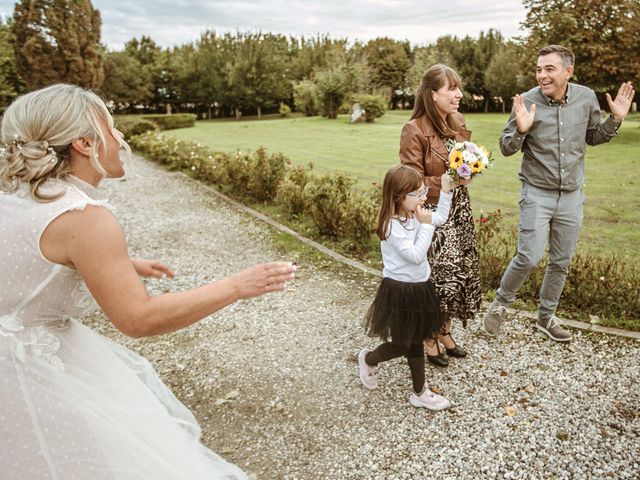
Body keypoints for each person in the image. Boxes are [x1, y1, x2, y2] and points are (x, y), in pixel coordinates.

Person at [0, 84, 297, 479]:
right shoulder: (85, 218)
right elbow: (138, 319)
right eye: (112, 128)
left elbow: (27, 257)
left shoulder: (20, 195)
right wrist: (237, 286)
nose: (121, 138)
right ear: (85, 143)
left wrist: (119, 264)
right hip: (29, 377)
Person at [482, 45, 635, 342]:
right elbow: (506, 147)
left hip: (571, 195)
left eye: (549, 69)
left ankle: (545, 317)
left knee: (561, 261)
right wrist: (522, 130)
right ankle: (500, 304)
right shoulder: (526, 100)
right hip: (536, 192)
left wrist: (615, 119)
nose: (542, 75)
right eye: (539, 69)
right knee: (528, 256)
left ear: (568, 71)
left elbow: (593, 137)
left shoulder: (586, 97)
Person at [399, 64, 482, 367]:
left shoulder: (457, 120)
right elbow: (410, 182)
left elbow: (463, 158)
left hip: (459, 206)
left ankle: (444, 330)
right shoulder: (414, 130)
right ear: (433, 94)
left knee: (460, 271)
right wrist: (445, 182)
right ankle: (427, 335)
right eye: (452, 89)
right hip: (432, 211)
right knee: (439, 277)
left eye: (458, 88)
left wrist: (471, 169)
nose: (459, 94)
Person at [358, 164, 457, 410]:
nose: (423, 197)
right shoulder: (391, 226)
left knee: (416, 340)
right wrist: (426, 225)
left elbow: (441, 218)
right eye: (417, 194)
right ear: (398, 196)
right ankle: (368, 359)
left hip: (420, 288)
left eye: (423, 191)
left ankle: (419, 392)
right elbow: (414, 255)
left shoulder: (415, 214)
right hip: (400, 292)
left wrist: (445, 192)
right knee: (402, 344)